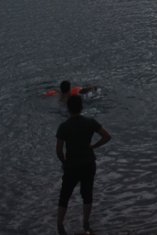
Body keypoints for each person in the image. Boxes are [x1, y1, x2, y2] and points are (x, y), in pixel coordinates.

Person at [56, 94, 111, 235]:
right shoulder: (90, 122)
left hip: (71, 166)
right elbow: (107, 136)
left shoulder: (64, 126)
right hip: (88, 163)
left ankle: (60, 226)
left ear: (68, 108)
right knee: (87, 195)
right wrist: (93, 146)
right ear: (81, 107)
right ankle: (86, 225)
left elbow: (59, 150)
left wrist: (64, 162)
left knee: (65, 196)